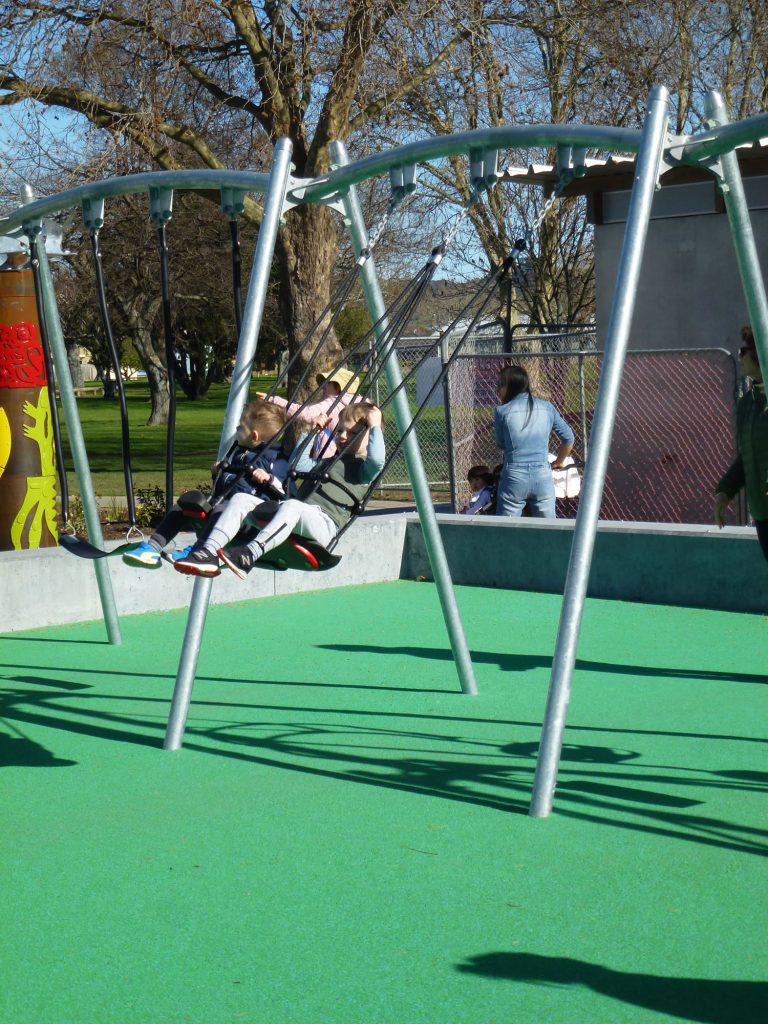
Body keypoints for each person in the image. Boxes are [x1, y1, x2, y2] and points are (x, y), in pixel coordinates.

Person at [173, 401, 385, 578]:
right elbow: (297, 465)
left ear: (372, 438)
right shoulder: (327, 462)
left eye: (353, 433)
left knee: (293, 505)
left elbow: (377, 460)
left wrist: (374, 425)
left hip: (324, 525)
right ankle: (208, 551)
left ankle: (249, 553)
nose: (343, 436)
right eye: (340, 430)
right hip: (296, 515)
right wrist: (311, 432)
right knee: (241, 499)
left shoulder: (365, 469)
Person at [122, 400, 289, 568]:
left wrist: (268, 478)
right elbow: (231, 481)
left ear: (254, 436)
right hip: (221, 501)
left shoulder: (276, 459)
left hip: (247, 518)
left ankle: (199, 551)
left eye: (240, 427)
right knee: (184, 505)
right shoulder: (241, 452)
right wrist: (218, 473)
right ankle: (153, 547)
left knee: (221, 510)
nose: (236, 429)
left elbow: (286, 491)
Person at [714, 325, 768, 562]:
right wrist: (725, 491)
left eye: (744, 350)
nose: (739, 355)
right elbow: (747, 456)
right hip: (762, 512)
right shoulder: (748, 403)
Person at [494, 364, 574, 518]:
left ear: (510, 386)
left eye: (500, 384)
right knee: (547, 527)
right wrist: (559, 461)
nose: (497, 389)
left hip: (514, 476)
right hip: (542, 475)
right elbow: (569, 438)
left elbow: (501, 444)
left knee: (506, 527)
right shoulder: (547, 407)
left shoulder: (502, 411)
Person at [256, 367, 359, 458]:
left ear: (338, 387)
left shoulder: (331, 403)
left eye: (327, 383)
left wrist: (273, 400)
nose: (324, 386)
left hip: (327, 458)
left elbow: (304, 413)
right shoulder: (362, 404)